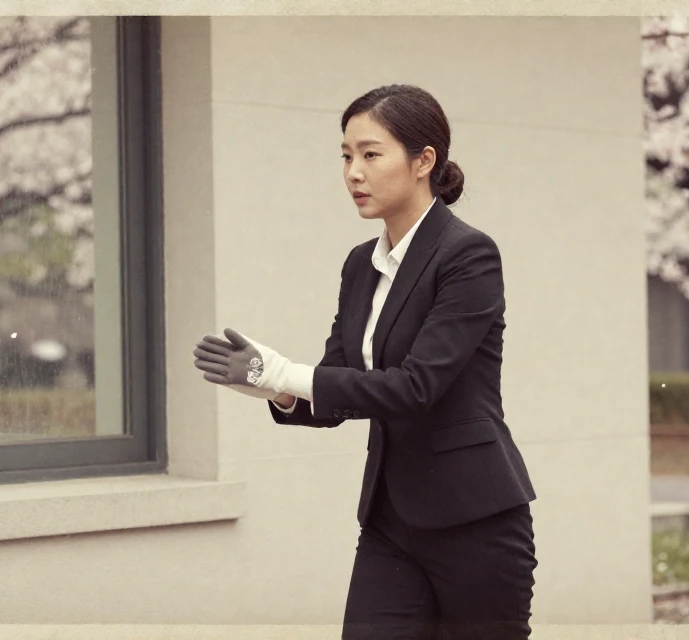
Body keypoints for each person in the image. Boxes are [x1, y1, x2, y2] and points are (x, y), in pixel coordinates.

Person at [193, 84, 536, 639]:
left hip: (476, 520)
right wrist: (274, 390)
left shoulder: (468, 255)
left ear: (424, 161)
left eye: (371, 154)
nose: (354, 172)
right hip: (390, 523)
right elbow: (339, 389)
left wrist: (286, 373)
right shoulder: (361, 265)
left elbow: (415, 387)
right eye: (347, 156)